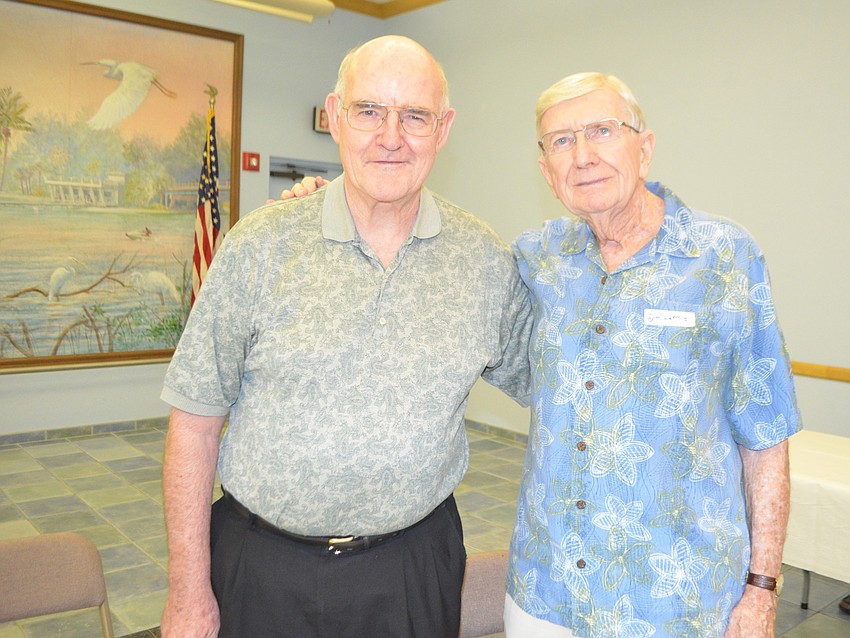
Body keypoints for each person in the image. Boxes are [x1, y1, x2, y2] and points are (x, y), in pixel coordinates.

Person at [158, 36, 532, 638]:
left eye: (415, 115)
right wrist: (186, 589)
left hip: (413, 572)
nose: (392, 136)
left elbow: (564, 381)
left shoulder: (484, 261)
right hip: (260, 568)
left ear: (444, 128)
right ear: (334, 117)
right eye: (368, 111)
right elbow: (194, 423)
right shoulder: (260, 245)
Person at [504, 72, 800, 638]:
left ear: (644, 147)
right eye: (561, 141)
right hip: (548, 594)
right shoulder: (536, 258)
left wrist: (761, 589)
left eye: (601, 130)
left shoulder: (723, 258)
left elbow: (766, 436)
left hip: (676, 602)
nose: (583, 155)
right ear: (546, 170)